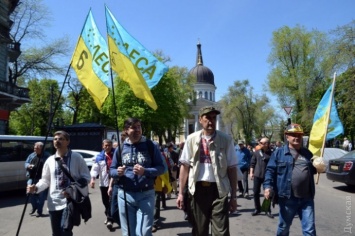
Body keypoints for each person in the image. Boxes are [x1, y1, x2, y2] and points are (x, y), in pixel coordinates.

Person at [176, 106, 238, 236]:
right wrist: (181, 193)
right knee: (199, 231)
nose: (211, 121)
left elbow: (232, 168)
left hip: (219, 191)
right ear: (200, 120)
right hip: (198, 191)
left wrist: (233, 197)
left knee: (221, 232)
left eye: (214, 118)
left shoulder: (226, 140)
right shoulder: (192, 139)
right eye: (207, 118)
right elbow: (185, 167)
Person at [27, 130, 91, 236]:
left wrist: (71, 190)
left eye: (61, 139)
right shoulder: (50, 160)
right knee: (56, 233)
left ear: (68, 141)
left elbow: (86, 177)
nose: (57, 141)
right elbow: (45, 180)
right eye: (55, 139)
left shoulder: (77, 157)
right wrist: (36, 188)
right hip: (53, 203)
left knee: (65, 231)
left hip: (70, 202)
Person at [110, 117, 165, 236]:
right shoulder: (120, 149)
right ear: (126, 130)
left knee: (144, 232)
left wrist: (145, 171)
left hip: (146, 194)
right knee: (129, 233)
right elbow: (112, 170)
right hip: (125, 195)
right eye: (133, 127)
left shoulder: (150, 146)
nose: (137, 130)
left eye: (139, 127)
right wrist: (117, 172)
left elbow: (161, 168)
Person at [264, 124, 317, 236]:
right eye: (293, 135)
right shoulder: (279, 153)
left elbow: (313, 171)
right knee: (283, 228)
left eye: (299, 135)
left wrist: (319, 166)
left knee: (310, 230)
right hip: (287, 198)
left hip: (307, 199)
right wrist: (268, 187)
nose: (296, 137)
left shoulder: (308, 153)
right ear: (287, 136)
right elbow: (270, 171)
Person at [90, 139, 115, 230]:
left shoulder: (116, 155)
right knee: (105, 202)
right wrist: (92, 179)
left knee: (112, 201)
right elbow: (95, 169)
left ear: (111, 146)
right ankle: (109, 214)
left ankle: (110, 219)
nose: (107, 147)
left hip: (115, 183)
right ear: (103, 146)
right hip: (103, 183)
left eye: (109, 145)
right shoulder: (99, 157)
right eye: (106, 145)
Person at [249, 137, 273, 218]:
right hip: (257, 175)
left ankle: (267, 209)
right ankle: (257, 209)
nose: (259, 144)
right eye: (260, 143)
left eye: (261, 143)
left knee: (268, 194)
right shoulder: (256, 152)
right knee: (255, 192)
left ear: (267, 144)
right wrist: (251, 172)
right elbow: (252, 163)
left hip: (267, 176)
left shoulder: (272, 154)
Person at [24, 142, 49, 217]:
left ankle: (39, 211)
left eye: (37, 148)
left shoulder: (47, 156)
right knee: (29, 193)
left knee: (41, 196)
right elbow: (26, 162)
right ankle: (34, 207)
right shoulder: (32, 155)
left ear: (41, 148)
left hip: (42, 179)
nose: (35, 149)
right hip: (31, 177)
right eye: (34, 148)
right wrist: (28, 166)